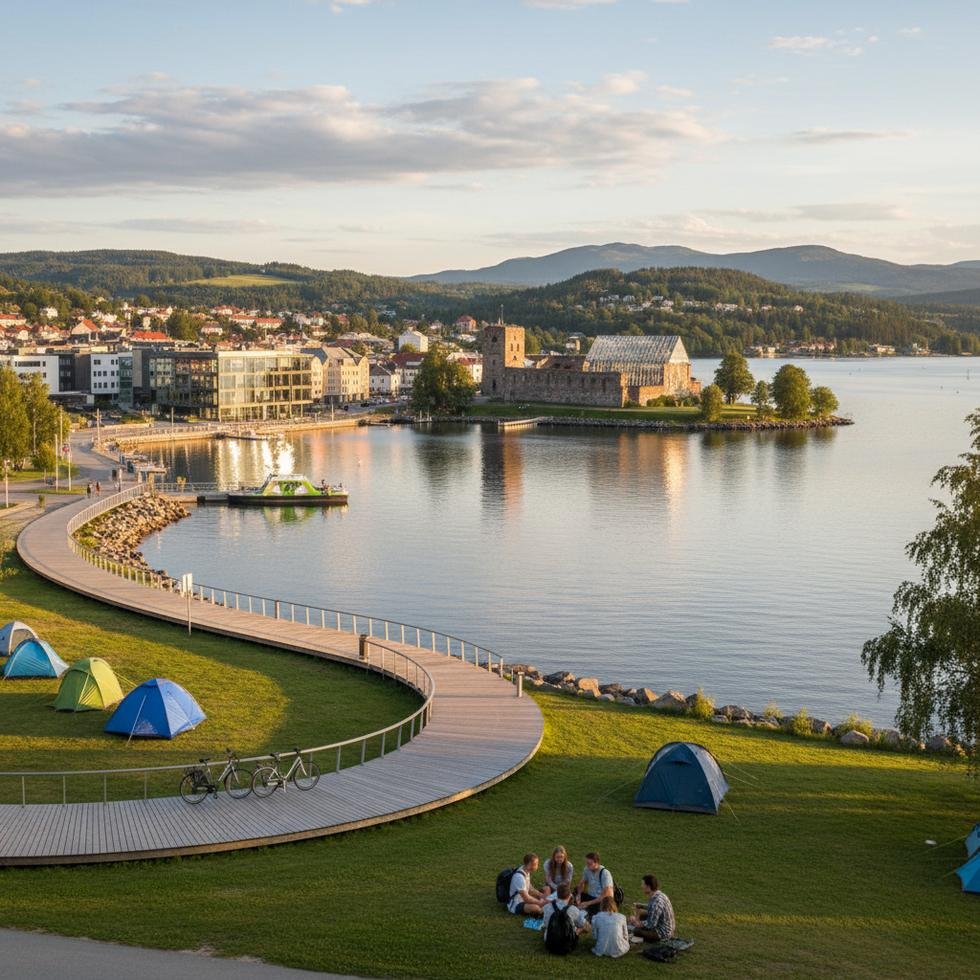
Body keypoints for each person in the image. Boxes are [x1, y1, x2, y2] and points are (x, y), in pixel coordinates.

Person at [629, 874, 675, 943]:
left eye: (643, 884)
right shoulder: (659, 894)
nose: (641, 887)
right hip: (662, 925)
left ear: (648, 887)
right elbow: (652, 908)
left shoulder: (657, 902)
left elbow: (651, 924)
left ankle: (646, 938)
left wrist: (636, 922)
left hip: (663, 933)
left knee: (636, 931)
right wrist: (640, 906)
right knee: (641, 915)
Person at [577, 851, 615, 918]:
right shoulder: (587, 869)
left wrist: (588, 903)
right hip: (591, 896)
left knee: (594, 914)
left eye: (590, 864)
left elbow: (606, 896)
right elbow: (582, 883)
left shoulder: (605, 874)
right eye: (586, 863)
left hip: (601, 900)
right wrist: (579, 894)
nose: (587, 866)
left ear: (596, 863)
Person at [508, 853, 546, 917]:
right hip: (516, 904)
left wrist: (542, 895)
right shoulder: (519, 877)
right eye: (535, 864)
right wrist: (541, 903)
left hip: (524, 898)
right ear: (529, 865)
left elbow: (530, 889)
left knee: (544, 893)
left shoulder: (526, 871)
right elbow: (526, 899)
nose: (537, 866)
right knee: (536, 908)